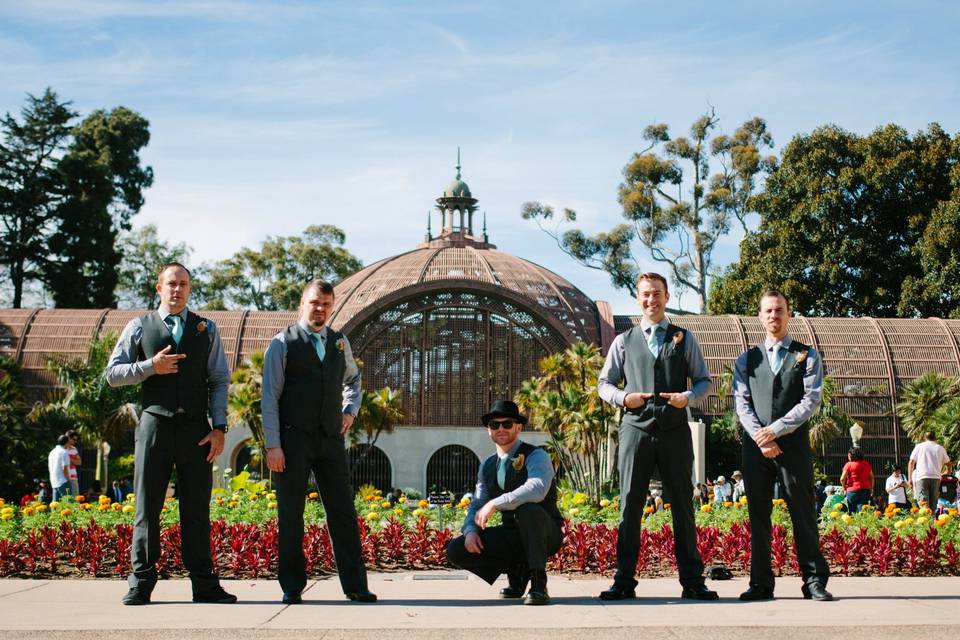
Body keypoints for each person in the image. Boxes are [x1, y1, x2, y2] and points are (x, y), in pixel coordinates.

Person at [105, 262, 235, 606]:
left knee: (196, 510)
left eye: (184, 284)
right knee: (147, 508)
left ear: (190, 290)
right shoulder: (139, 326)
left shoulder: (206, 328)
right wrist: (151, 367)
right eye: (171, 284)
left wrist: (219, 427)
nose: (177, 290)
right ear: (158, 288)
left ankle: (205, 585)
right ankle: (141, 583)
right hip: (154, 427)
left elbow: (219, 379)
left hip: (196, 430)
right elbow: (113, 374)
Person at [597, 272, 717, 601]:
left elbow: (705, 381)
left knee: (683, 506)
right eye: (646, 294)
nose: (652, 300)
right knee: (629, 507)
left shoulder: (684, 338)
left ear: (667, 296)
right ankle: (623, 580)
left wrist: (688, 397)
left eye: (657, 294)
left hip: (675, 431)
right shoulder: (624, 341)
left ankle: (692, 581)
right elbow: (603, 384)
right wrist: (624, 398)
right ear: (638, 299)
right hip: (635, 428)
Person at [261, 279, 375, 605]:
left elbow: (353, 379)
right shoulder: (282, 343)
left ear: (332, 305)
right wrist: (273, 445)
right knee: (291, 515)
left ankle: (356, 586)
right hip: (292, 440)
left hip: (330, 441)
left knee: (342, 512)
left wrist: (350, 410)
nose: (320, 309)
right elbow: (269, 397)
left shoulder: (340, 342)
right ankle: (292, 587)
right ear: (303, 303)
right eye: (314, 303)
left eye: (325, 303)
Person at [733, 289, 832, 601]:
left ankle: (814, 581)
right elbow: (742, 404)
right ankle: (760, 583)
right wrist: (761, 438)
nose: (774, 316)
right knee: (758, 516)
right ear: (760, 316)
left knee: (803, 514)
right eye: (768, 311)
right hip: (755, 449)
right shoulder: (747, 360)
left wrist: (775, 431)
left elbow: (811, 401)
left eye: (779, 310)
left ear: (789, 314)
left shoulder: (806, 355)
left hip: (793, 449)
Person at [446, 400, 564, 605]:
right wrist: (471, 530)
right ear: (488, 430)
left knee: (529, 510)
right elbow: (477, 502)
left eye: (507, 424)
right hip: (512, 533)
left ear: (518, 428)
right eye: (494, 424)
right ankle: (517, 573)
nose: (501, 428)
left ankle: (538, 583)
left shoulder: (537, 455)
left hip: (544, 533)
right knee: (456, 550)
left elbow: (536, 489)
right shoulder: (487, 465)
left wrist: (495, 504)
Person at [908, 432, 951, 510]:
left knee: (923, 503)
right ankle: (932, 521)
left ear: (925, 438)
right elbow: (949, 464)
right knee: (933, 505)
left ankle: (925, 521)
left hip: (921, 477)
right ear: (935, 438)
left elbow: (911, 462)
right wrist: (946, 474)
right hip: (936, 478)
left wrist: (910, 479)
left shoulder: (919, 446)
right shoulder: (940, 448)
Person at [840, 447, 874, 513]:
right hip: (865, 490)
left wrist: (844, 488)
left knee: (851, 512)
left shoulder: (848, 465)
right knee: (863, 512)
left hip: (852, 491)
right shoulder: (866, 464)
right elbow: (872, 477)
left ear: (851, 455)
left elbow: (842, 479)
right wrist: (871, 488)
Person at [47, 435, 71, 501]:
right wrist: (68, 480)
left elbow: (49, 468)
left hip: (54, 481)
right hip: (63, 481)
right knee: (68, 503)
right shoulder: (64, 452)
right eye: (69, 442)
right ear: (66, 443)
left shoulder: (52, 452)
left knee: (55, 505)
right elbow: (65, 468)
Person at [65, 430, 82, 497]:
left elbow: (79, 462)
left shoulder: (74, 449)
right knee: (65, 501)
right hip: (64, 479)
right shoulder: (60, 449)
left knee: (75, 500)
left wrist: (69, 458)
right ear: (68, 438)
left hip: (73, 477)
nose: (75, 441)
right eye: (74, 439)